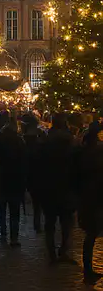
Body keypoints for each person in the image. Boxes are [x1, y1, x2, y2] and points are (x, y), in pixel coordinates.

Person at [39, 112, 79, 264]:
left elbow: (38, 167)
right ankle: (63, 251)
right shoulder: (71, 143)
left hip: (49, 190)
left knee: (50, 224)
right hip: (66, 189)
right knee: (66, 224)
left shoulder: (45, 142)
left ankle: (52, 254)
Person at [77, 121, 103, 284]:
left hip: (87, 198)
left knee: (91, 235)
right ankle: (88, 270)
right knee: (92, 233)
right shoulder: (97, 154)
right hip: (95, 198)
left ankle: (88, 269)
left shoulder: (82, 152)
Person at [0, 113, 26, 247]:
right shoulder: (19, 140)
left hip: (1, 178)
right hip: (16, 179)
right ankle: (14, 237)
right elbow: (24, 161)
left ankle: (3, 232)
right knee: (15, 210)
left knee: (2, 208)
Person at [23, 114, 46, 232]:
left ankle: (37, 222)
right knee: (40, 202)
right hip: (41, 174)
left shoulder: (23, 139)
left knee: (36, 202)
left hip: (31, 176)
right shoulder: (41, 136)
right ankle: (41, 223)